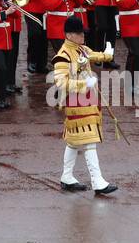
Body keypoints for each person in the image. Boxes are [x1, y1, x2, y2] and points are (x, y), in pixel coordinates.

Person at [50, 17, 116, 195]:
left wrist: (108, 54)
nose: (83, 36)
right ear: (70, 35)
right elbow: (61, 83)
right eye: (80, 34)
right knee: (89, 142)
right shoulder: (62, 56)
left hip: (88, 101)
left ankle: (66, 176)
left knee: (73, 143)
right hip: (76, 103)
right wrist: (83, 84)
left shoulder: (80, 49)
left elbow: (93, 55)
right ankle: (98, 181)